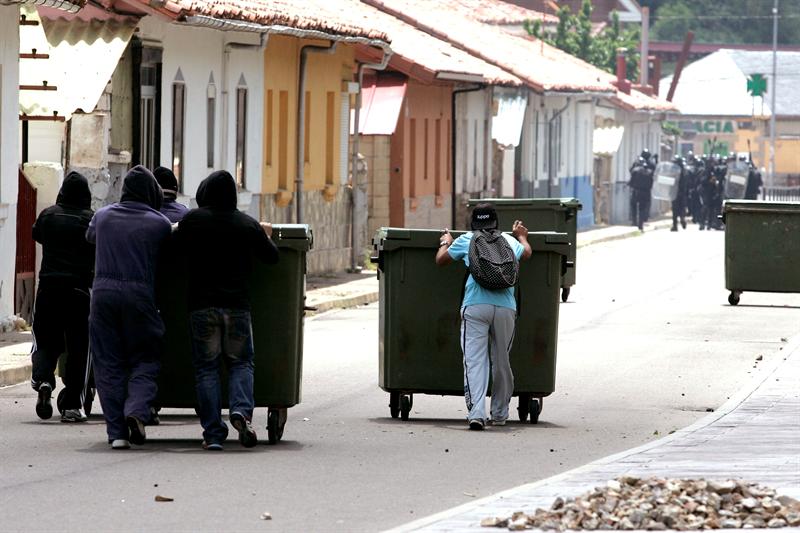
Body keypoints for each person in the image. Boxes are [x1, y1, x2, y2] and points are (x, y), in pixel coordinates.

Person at [174, 170, 279, 450]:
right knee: (241, 363)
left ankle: (212, 434)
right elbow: (272, 257)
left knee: (206, 369)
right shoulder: (247, 224)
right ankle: (241, 412)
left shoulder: (193, 221)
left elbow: (171, 250)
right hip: (237, 307)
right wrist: (265, 234)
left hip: (202, 307)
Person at [87, 165, 172, 449]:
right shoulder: (159, 223)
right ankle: (136, 409)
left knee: (108, 363)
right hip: (139, 296)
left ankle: (117, 434)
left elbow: (89, 237)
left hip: (103, 295)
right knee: (146, 356)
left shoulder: (102, 216)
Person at [434, 204, 532, 430]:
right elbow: (527, 253)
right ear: (496, 222)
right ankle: (500, 413)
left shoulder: (467, 239)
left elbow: (441, 260)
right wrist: (522, 236)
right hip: (505, 308)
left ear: (473, 222)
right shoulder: (508, 240)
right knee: (502, 360)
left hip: (476, 307)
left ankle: (477, 413)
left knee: (475, 361)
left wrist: (446, 241)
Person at [30, 171, 95, 422]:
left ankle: (44, 380)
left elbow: (36, 235)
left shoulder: (48, 215)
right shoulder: (90, 219)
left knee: (46, 340)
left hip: (48, 289)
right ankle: (72, 406)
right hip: (79, 292)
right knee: (80, 348)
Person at [628, 156, 654, 231]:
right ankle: (641, 224)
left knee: (633, 206)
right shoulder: (649, 172)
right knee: (642, 208)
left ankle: (634, 221)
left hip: (636, 192)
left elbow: (631, 181)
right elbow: (651, 183)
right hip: (646, 192)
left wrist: (630, 185)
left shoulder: (635, 171)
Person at [671, 156, 688, 231]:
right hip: (682, 192)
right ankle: (682, 219)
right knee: (681, 208)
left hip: (675, 192)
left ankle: (675, 225)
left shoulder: (676, 171)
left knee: (675, 209)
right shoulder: (684, 171)